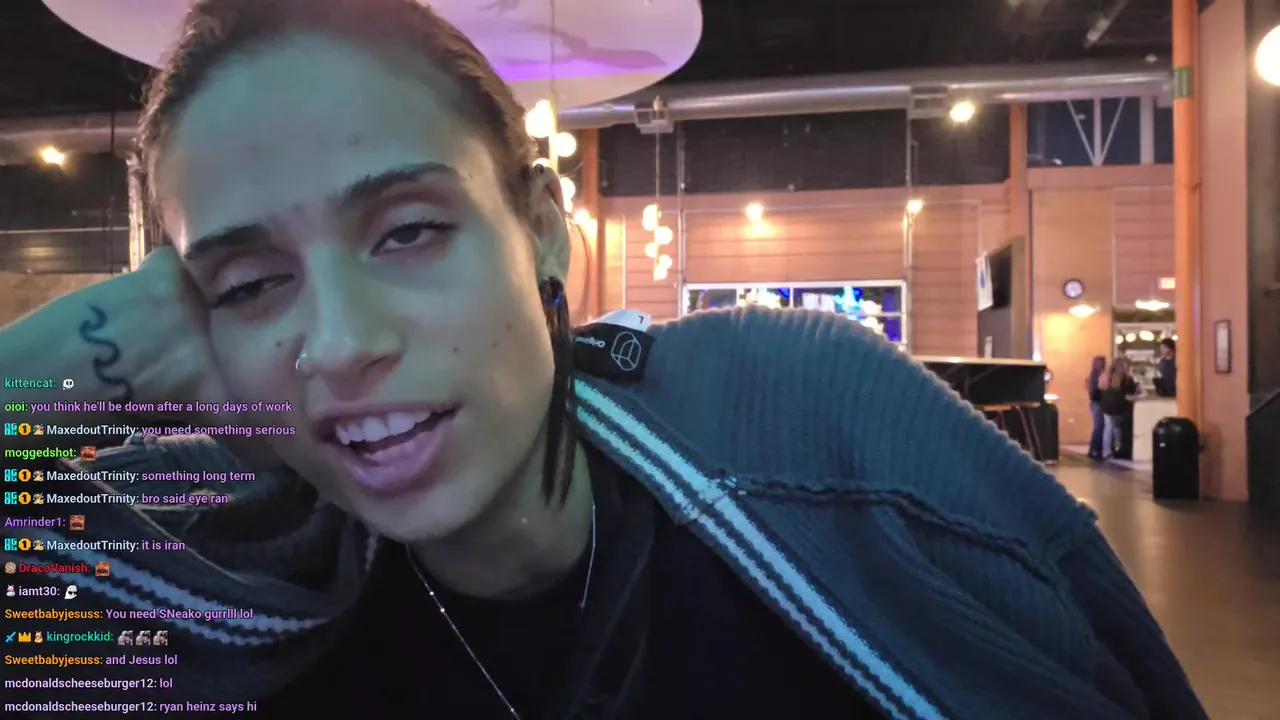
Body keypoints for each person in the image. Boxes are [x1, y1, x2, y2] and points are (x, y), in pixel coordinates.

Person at [0, 1, 1207, 718]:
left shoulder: (800, 420)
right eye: (250, 283)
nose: (343, 343)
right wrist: (43, 372)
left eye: (409, 231)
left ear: (538, 227)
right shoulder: (215, 561)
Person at [1098, 358, 1142, 460]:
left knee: (1108, 428)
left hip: (1106, 405)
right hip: (1119, 405)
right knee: (1117, 428)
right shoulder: (1125, 377)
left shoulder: (1105, 376)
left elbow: (1100, 390)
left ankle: (1106, 451)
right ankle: (1117, 449)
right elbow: (1133, 391)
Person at [1086, 355, 1108, 460]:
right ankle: (1094, 449)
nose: (1103, 364)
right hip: (1097, 403)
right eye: (1101, 362)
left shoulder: (1094, 375)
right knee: (1099, 426)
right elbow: (1095, 391)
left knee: (1099, 426)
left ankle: (1095, 449)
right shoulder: (1096, 375)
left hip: (1096, 402)